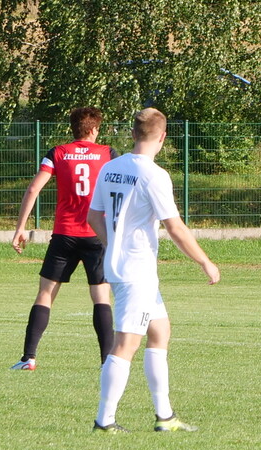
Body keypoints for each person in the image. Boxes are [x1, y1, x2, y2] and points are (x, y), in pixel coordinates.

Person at [86, 108, 220, 433]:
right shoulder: (154, 175)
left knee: (160, 331)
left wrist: (114, 243)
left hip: (122, 266)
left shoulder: (110, 167)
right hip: (137, 271)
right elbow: (175, 227)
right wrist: (205, 261)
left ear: (133, 134)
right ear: (162, 137)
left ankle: (165, 416)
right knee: (126, 344)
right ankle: (104, 420)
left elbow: (92, 217)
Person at [8, 107, 115, 370]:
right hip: (96, 234)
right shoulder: (107, 154)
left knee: (45, 294)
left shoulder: (58, 153)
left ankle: (28, 358)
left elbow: (33, 189)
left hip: (64, 235)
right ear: (93, 129)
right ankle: (107, 361)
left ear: (74, 129)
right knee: (101, 296)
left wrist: (20, 228)